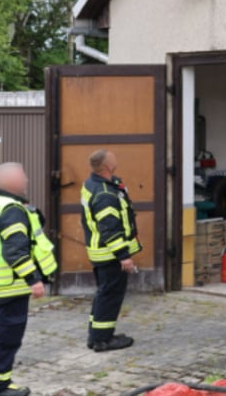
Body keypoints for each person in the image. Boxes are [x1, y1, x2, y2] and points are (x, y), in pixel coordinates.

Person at [0, 162, 57, 396]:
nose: (27, 180)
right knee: (8, 337)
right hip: (10, 285)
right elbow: (15, 251)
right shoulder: (10, 210)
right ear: (11, 181)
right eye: (23, 176)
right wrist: (33, 279)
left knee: (1, 333)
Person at [81, 149, 141, 352]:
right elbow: (110, 229)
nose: (116, 160)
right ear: (106, 166)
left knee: (103, 294)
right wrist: (123, 256)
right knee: (110, 296)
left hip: (101, 253)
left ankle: (96, 335)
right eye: (113, 159)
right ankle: (102, 340)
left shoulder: (94, 184)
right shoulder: (105, 194)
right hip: (110, 255)